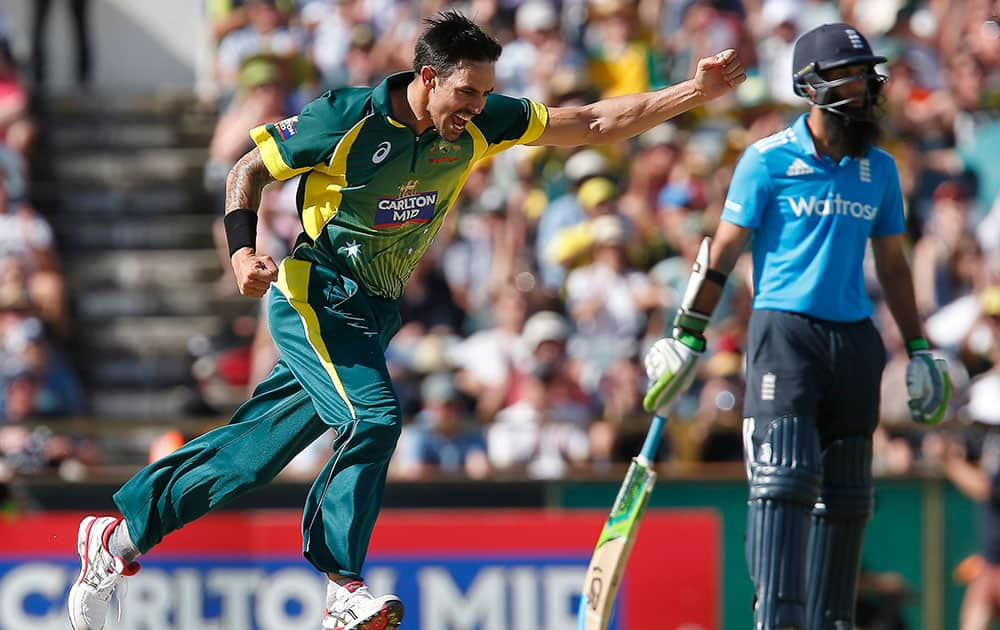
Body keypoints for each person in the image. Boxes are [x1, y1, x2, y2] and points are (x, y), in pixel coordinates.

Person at [67, 11, 745, 630]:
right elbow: (247, 169)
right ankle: (341, 586)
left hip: (372, 311)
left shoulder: (481, 122)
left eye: (484, 94)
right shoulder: (347, 117)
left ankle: (116, 539)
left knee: (251, 455)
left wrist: (693, 94)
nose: (477, 108)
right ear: (427, 77)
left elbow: (592, 123)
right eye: (466, 93)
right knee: (373, 418)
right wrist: (243, 248)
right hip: (315, 291)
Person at [642, 23, 951, 629]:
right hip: (785, 335)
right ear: (810, 85)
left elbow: (892, 262)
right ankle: (777, 621)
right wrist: (686, 335)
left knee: (847, 496)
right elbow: (724, 250)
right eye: (847, 75)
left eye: (866, 75)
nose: (861, 87)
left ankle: (832, 622)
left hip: (855, 342)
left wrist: (918, 347)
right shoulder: (766, 160)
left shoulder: (880, 170)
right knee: (782, 482)